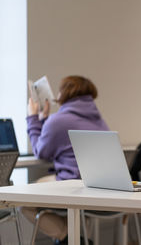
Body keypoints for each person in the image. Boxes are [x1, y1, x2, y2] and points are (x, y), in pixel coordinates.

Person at [22, 75, 109, 244]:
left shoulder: (59, 120)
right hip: (98, 187)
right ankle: (76, 237)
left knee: (23, 201)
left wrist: (33, 118)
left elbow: (41, 151)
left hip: (71, 184)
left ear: (64, 93)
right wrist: (45, 119)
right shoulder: (99, 120)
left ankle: (68, 237)